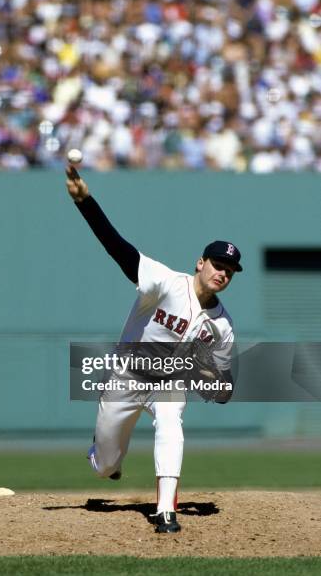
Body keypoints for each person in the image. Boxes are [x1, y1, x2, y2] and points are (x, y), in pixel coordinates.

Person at [65, 164, 242, 533]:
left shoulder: (222, 326)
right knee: (106, 467)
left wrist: (205, 375)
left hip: (168, 383)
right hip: (126, 376)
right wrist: (86, 203)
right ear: (200, 263)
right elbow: (120, 251)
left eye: (229, 269)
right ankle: (101, 454)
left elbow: (224, 392)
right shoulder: (166, 283)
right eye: (217, 264)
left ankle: (165, 511)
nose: (222, 272)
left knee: (171, 421)